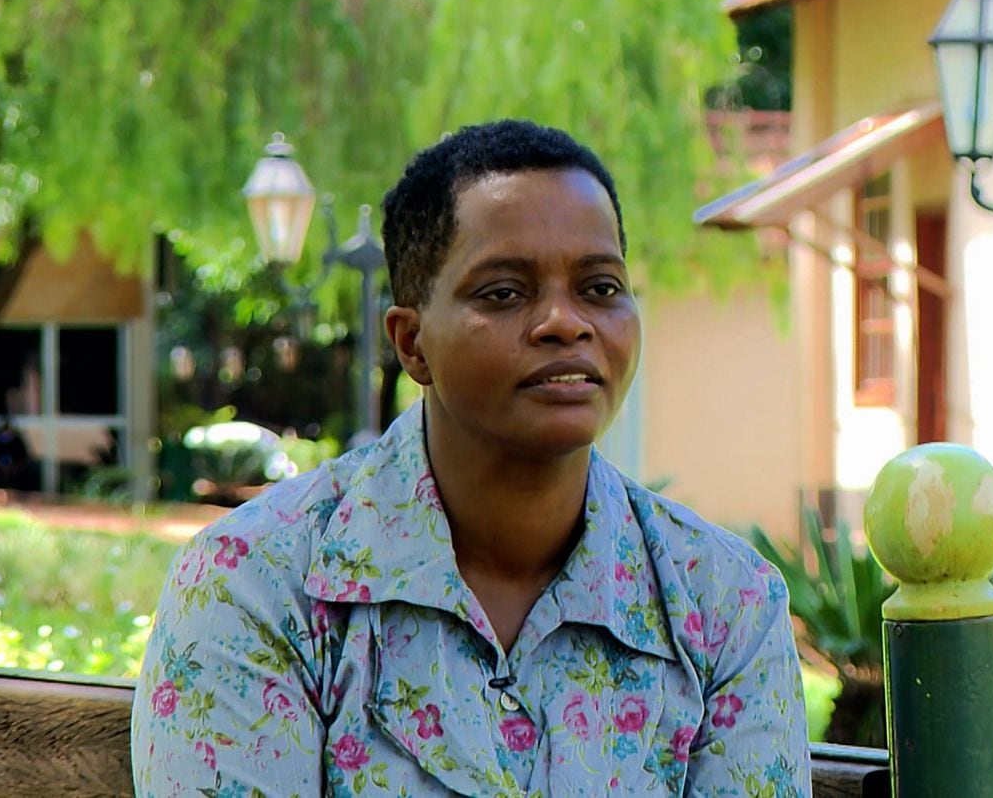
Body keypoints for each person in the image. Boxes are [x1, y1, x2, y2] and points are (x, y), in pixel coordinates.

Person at [131, 120, 812, 797]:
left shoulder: (725, 604)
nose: (565, 322)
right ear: (412, 344)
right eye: (504, 293)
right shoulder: (256, 585)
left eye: (600, 288)